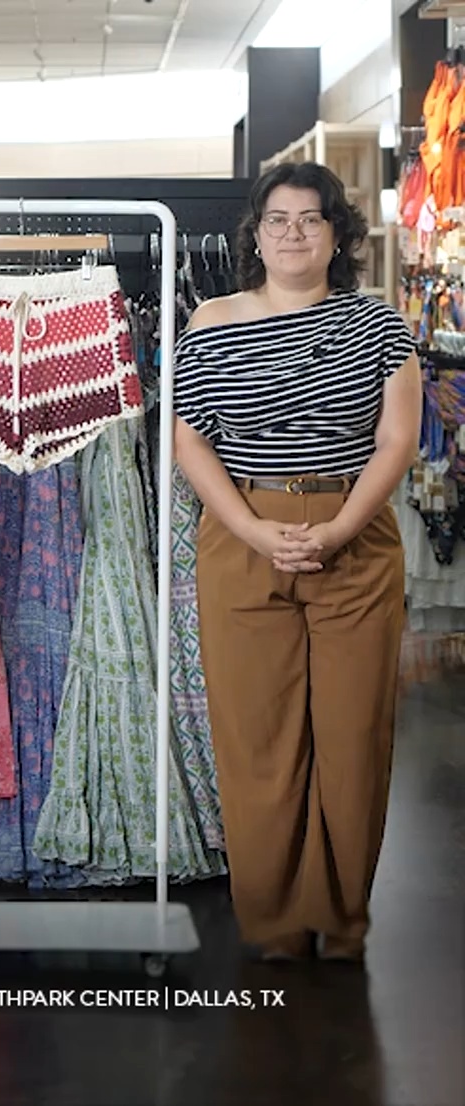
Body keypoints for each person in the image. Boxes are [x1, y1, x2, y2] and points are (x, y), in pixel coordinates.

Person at [173, 162, 422, 962]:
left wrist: (343, 525)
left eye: (311, 220)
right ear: (255, 234)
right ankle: (276, 925)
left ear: (337, 235)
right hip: (245, 534)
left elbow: (398, 440)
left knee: (354, 737)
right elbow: (188, 439)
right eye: (277, 220)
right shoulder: (209, 321)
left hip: (354, 536)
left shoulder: (378, 323)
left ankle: (343, 923)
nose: (292, 233)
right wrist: (250, 529)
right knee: (257, 739)